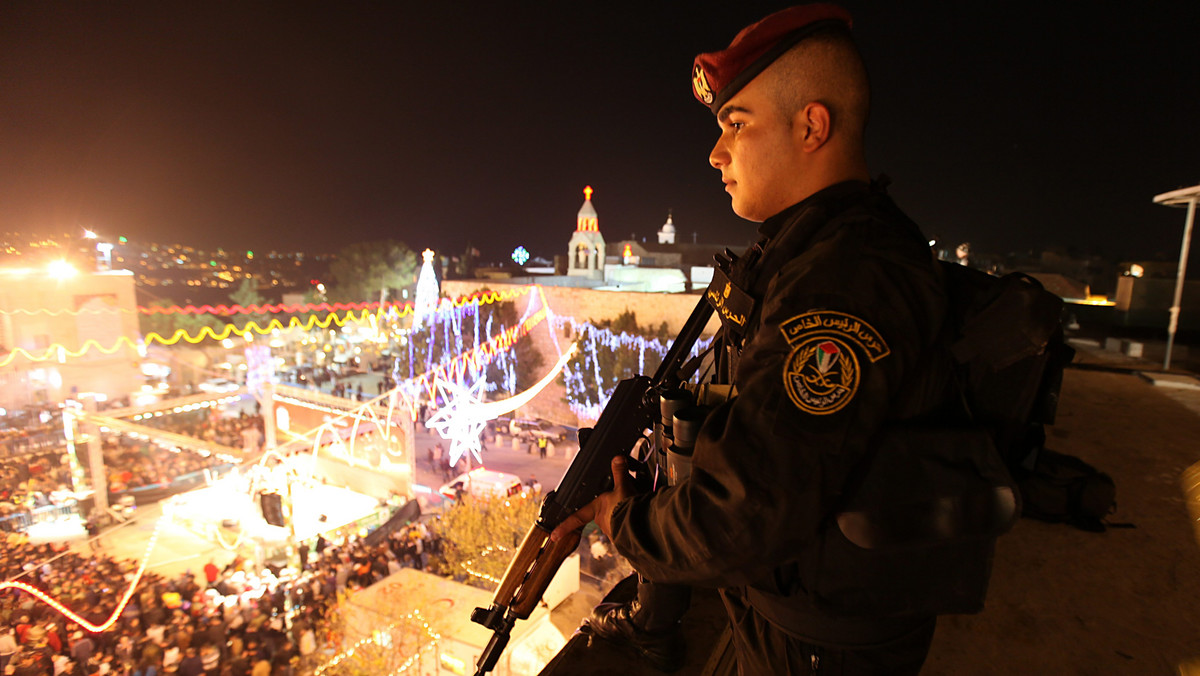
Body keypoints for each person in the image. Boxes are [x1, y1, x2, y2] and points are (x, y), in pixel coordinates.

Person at [552, 5, 971, 674]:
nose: (716, 153)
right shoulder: (815, 250)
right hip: (810, 617)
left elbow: (741, 517)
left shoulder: (843, 278)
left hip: (818, 643)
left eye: (736, 125)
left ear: (812, 125)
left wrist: (620, 522)